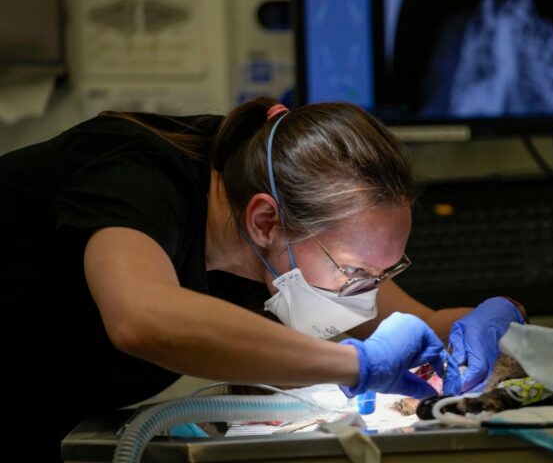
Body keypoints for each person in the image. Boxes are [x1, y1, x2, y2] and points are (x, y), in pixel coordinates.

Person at [0, 97, 526, 461]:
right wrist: (354, 366)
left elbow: (429, 322)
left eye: (384, 271)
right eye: (354, 271)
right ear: (264, 221)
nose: (367, 290)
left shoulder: (283, 216)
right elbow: (141, 317)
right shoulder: (138, 175)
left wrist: (501, 320)